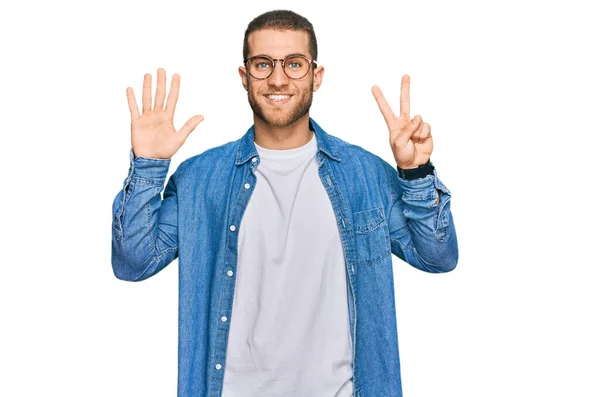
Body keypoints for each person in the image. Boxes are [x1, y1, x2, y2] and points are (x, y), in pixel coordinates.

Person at [111, 9, 458, 397]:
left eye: (294, 64)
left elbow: (437, 257)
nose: (278, 79)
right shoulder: (200, 179)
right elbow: (132, 262)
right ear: (244, 77)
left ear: (316, 74)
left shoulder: (364, 175)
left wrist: (415, 173)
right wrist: (149, 167)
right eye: (263, 64)